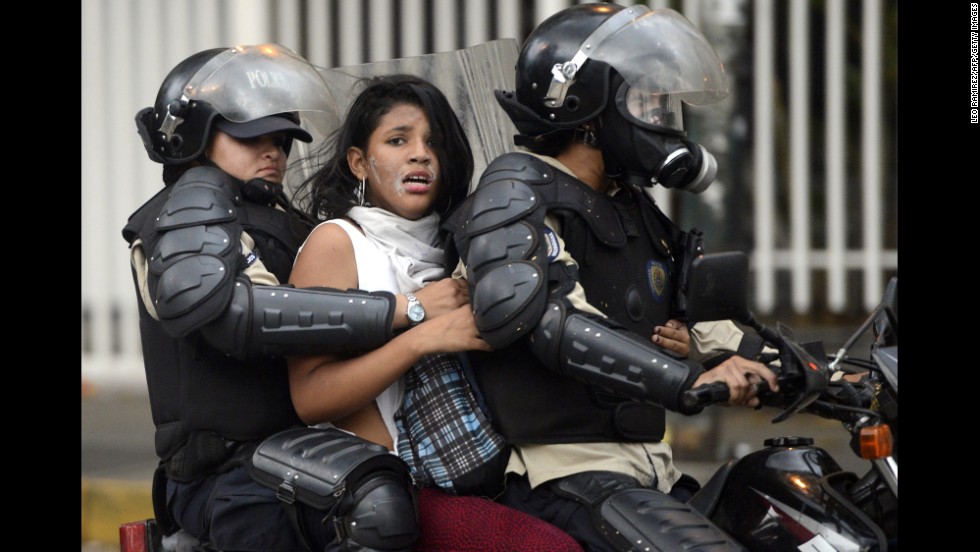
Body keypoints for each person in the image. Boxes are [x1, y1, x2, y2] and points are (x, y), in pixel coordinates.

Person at [442, 4, 779, 551]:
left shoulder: (634, 207)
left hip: (653, 474)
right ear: (587, 111)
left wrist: (824, 376)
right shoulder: (515, 193)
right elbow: (547, 320)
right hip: (561, 477)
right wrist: (683, 378)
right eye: (645, 101)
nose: (662, 118)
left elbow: (703, 327)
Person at [122, 44, 424, 552]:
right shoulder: (184, 218)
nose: (273, 152)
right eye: (251, 136)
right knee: (376, 508)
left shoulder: (282, 219)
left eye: (281, 141)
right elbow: (238, 314)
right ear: (194, 136)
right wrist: (405, 312)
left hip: (300, 446)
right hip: (225, 471)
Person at [288, 73, 584, 551]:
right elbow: (310, 397)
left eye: (433, 142)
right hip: (394, 491)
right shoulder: (338, 244)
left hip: (497, 468)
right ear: (360, 163)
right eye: (398, 140)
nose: (420, 153)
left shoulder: (462, 245)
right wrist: (423, 334)